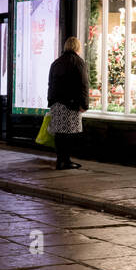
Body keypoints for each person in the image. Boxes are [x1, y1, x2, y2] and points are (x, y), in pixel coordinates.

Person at [47, 37, 89, 170]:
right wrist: (84, 104)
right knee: (69, 133)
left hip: (56, 104)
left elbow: (50, 84)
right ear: (77, 47)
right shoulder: (78, 62)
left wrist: (51, 101)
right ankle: (66, 160)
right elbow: (83, 84)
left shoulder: (56, 63)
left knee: (59, 134)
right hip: (71, 104)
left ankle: (61, 160)